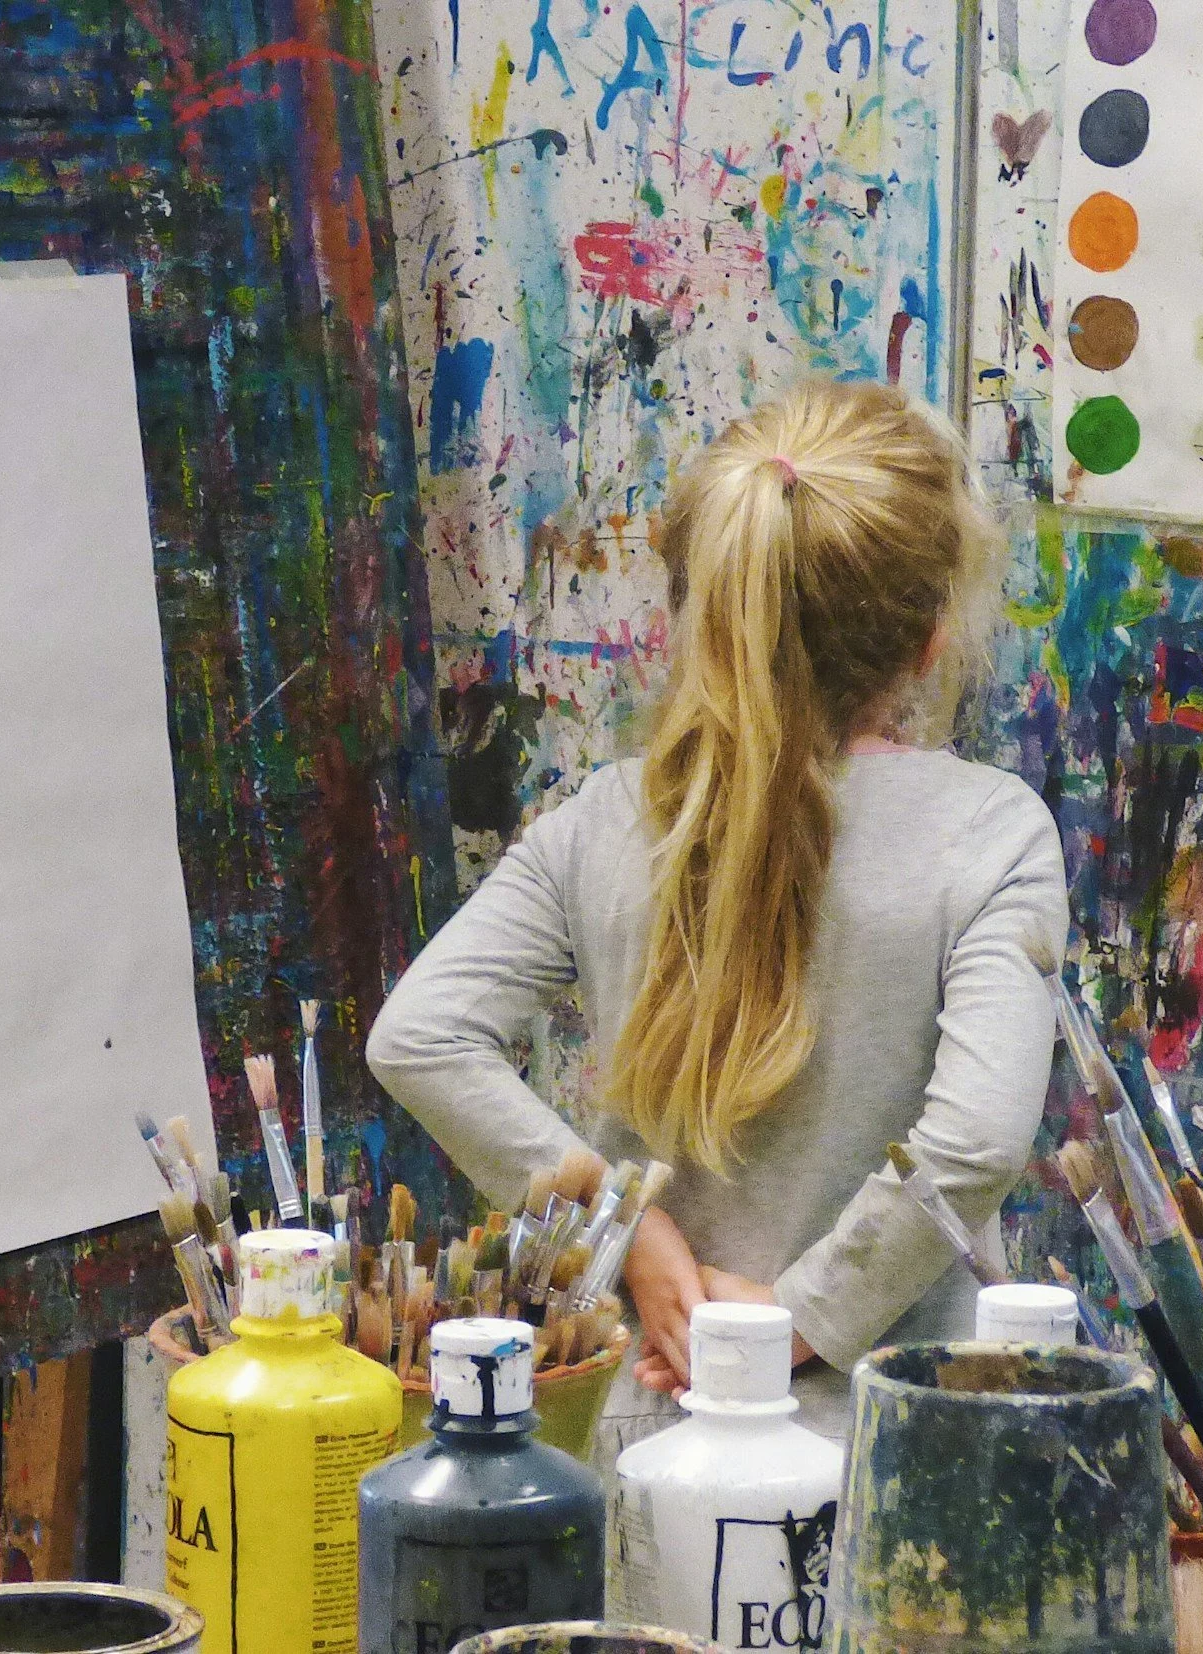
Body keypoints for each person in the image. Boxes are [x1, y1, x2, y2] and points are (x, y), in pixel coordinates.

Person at [366, 379, 1067, 1448]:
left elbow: (418, 1038)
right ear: (930, 639)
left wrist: (622, 1228)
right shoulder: (988, 832)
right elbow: (973, 1142)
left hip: (649, 1431)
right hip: (899, 1455)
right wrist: (797, 1320)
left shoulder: (604, 822)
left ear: (693, 609)